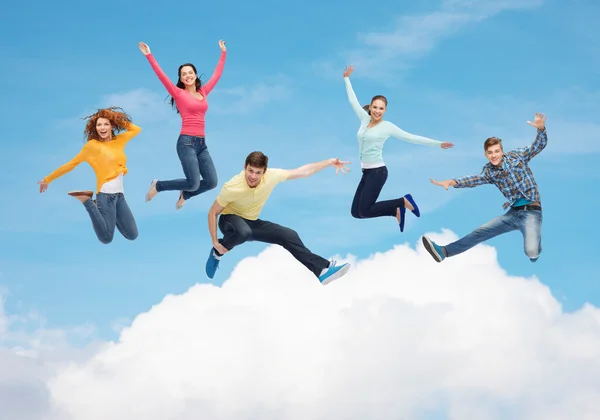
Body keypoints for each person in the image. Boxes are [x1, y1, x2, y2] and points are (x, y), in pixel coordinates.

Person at [205, 151, 352, 285]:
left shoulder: (272, 176)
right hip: (229, 220)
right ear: (245, 167)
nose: (253, 176)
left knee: (288, 235)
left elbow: (303, 172)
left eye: (258, 172)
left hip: (252, 222)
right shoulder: (232, 186)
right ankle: (217, 253)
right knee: (243, 232)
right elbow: (213, 213)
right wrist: (215, 242)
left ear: (264, 172)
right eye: (250, 171)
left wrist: (329, 161)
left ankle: (322, 270)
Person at [422, 112, 548, 263]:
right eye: (490, 153)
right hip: (513, 214)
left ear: (502, 151)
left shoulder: (517, 156)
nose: (494, 155)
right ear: (486, 155)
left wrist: (540, 129)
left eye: (496, 151)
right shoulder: (489, 171)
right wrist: (452, 182)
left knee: (531, 251)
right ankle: (444, 251)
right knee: (480, 232)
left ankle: (536, 250)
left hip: (532, 213)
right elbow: (474, 179)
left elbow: (537, 146)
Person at [343, 64, 454, 232]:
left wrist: (437, 143)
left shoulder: (388, 127)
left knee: (364, 210)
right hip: (366, 172)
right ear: (370, 107)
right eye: (375, 107)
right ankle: (395, 210)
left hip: (378, 172)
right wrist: (346, 78)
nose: (377, 111)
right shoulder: (364, 120)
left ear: (385, 110)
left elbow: (411, 137)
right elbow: (353, 100)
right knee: (356, 213)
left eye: (381, 108)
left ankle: (402, 202)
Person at [139, 39, 227, 210]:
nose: (187, 75)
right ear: (180, 78)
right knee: (193, 182)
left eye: (190, 72)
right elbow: (161, 76)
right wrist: (149, 55)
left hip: (202, 144)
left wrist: (223, 53)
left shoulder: (203, 92)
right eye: (183, 74)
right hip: (186, 143)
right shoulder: (178, 93)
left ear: (195, 74)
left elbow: (217, 75)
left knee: (211, 182)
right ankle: (158, 186)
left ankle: (185, 194)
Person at [37, 107, 142, 244]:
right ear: (95, 127)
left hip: (120, 196)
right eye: (99, 125)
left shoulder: (119, 141)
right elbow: (71, 164)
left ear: (111, 126)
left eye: (106, 124)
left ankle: (99, 210)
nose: (102, 127)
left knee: (132, 235)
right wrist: (48, 179)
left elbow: (136, 129)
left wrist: (115, 117)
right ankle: (87, 201)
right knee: (106, 238)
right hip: (105, 195)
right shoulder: (92, 146)